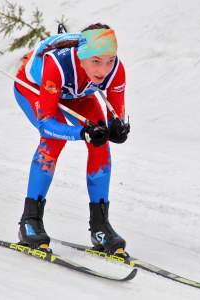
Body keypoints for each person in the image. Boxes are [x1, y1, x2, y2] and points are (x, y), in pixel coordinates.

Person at [13, 23, 130, 255]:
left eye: (109, 60)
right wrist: (81, 133)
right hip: (36, 88)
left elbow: (116, 113)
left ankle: (100, 226)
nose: (103, 69)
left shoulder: (115, 69)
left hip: (77, 94)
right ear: (81, 56)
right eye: (96, 61)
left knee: (100, 143)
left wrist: (118, 127)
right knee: (54, 141)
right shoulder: (58, 63)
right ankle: (30, 221)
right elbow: (47, 125)